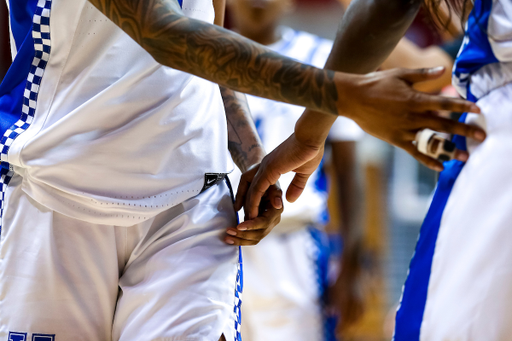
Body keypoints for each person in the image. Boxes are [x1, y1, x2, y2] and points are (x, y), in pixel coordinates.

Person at [0, 0, 484, 340]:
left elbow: (203, 38)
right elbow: (163, 33)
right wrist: (342, 93)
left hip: (189, 197)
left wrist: (252, 158)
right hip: (55, 188)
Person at [227, 1, 365, 340]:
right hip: (221, 239)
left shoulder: (321, 57)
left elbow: (349, 170)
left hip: (295, 245)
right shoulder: (200, 55)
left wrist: (354, 261)